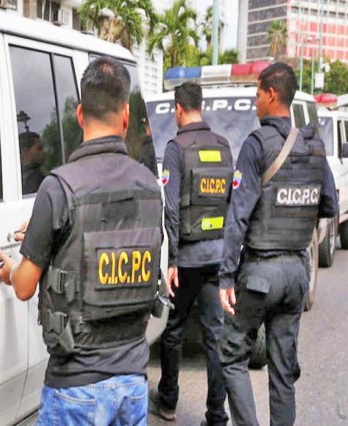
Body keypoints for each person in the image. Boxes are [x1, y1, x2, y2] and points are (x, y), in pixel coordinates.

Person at [0, 57, 163, 425]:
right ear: (126, 115)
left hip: (76, 387)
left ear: (80, 114)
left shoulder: (58, 187)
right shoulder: (150, 186)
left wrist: (9, 271)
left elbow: (24, 287)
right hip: (133, 382)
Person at [218, 63, 337, 426]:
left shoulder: (256, 144)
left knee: (231, 355)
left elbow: (238, 216)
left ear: (272, 94)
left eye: (257, 94)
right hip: (297, 273)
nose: (255, 102)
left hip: (260, 274)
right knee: (283, 370)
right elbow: (330, 205)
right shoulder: (314, 147)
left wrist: (226, 277)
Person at [149, 82, 231, 426]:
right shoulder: (223, 146)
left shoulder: (176, 148)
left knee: (174, 330)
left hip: (186, 261)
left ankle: (168, 401)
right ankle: (217, 415)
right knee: (215, 336)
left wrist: (171, 260)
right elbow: (230, 203)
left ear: (178, 109)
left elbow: (171, 209)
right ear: (201, 106)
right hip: (217, 257)